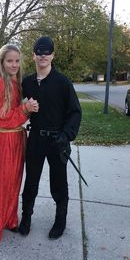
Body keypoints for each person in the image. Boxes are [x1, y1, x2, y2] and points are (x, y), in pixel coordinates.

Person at [18, 36, 82, 240]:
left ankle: (60, 221)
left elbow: (75, 112)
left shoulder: (63, 82)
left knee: (58, 184)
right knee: (31, 183)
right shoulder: (26, 83)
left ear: (53, 55)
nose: (43, 55)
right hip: (35, 139)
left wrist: (66, 135)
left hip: (57, 141)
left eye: (47, 52)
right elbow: (13, 104)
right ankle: (26, 218)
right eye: (39, 52)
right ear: (34, 55)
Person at [0, 44, 39, 244]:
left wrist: (26, 108)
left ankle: (9, 219)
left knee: (13, 183)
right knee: (2, 185)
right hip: (4, 139)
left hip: (17, 138)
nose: (14, 65)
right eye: (9, 61)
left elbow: (16, 113)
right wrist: (25, 109)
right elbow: (0, 119)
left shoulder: (14, 81)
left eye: (17, 61)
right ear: (1, 62)